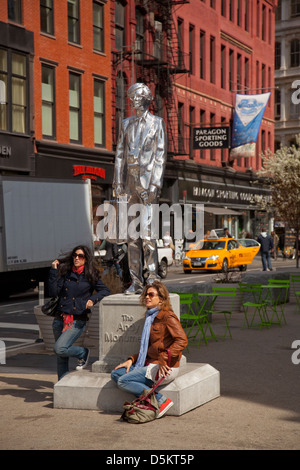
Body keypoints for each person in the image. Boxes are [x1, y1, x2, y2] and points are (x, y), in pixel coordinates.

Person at [113, 82, 167, 294]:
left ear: (146, 99)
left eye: (136, 95)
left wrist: (155, 183)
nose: (132, 99)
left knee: (147, 236)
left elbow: (160, 156)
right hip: (129, 186)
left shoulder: (157, 123)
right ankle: (135, 281)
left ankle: (152, 278)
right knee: (131, 238)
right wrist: (117, 182)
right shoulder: (125, 124)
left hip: (147, 186)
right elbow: (119, 155)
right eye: (131, 96)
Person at [111, 280, 188, 418]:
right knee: (116, 374)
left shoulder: (167, 316)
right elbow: (149, 348)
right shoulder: (150, 317)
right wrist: (132, 359)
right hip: (150, 363)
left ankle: (160, 400)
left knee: (123, 381)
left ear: (161, 299)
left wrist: (163, 359)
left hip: (165, 367)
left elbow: (182, 340)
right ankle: (152, 398)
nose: (147, 297)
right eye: (146, 294)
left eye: (151, 295)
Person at [49, 245, 110, 380]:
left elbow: (105, 291)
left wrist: (93, 300)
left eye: (80, 256)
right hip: (59, 319)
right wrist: (53, 271)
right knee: (61, 357)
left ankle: (83, 352)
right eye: (75, 255)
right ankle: (62, 386)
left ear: (86, 259)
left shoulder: (90, 275)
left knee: (60, 348)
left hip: (77, 320)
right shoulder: (66, 273)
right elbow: (53, 292)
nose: (77, 258)